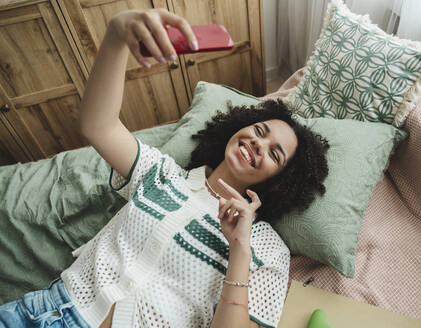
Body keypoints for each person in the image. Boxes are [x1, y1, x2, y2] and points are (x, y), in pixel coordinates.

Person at [0, 8, 329, 328]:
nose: (259, 143)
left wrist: (240, 249)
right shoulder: (161, 173)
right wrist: (116, 36)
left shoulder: (268, 249)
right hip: (41, 311)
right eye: (259, 130)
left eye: (275, 154)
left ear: (279, 181)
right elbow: (97, 126)